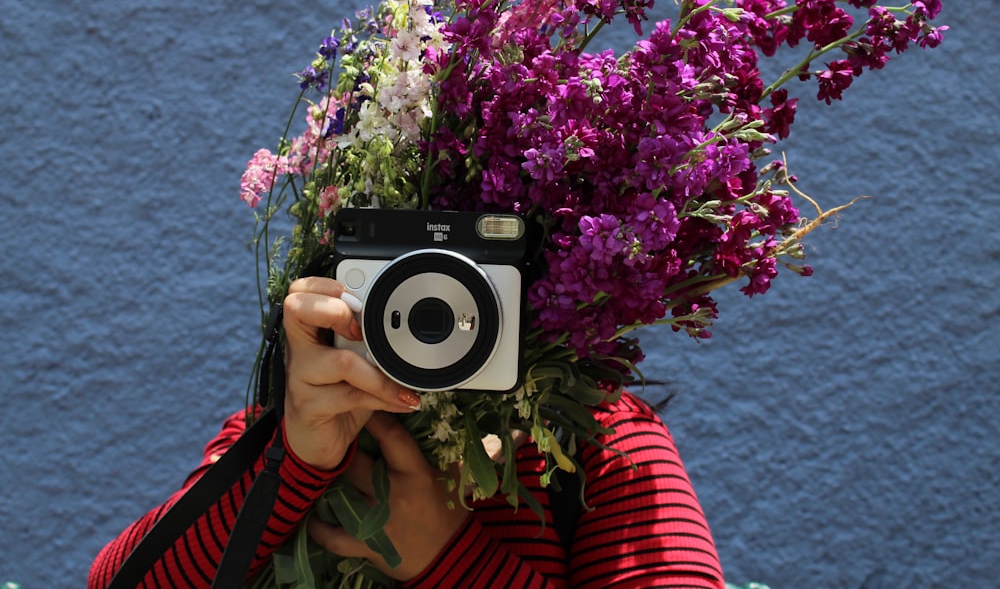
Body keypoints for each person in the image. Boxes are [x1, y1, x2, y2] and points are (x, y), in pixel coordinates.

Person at [88, 276, 726, 588]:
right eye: (400, 253)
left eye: (479, 256)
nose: (434, 302)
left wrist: (448, 557)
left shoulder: (601, 442)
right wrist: (293, 464)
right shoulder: (292, 431)